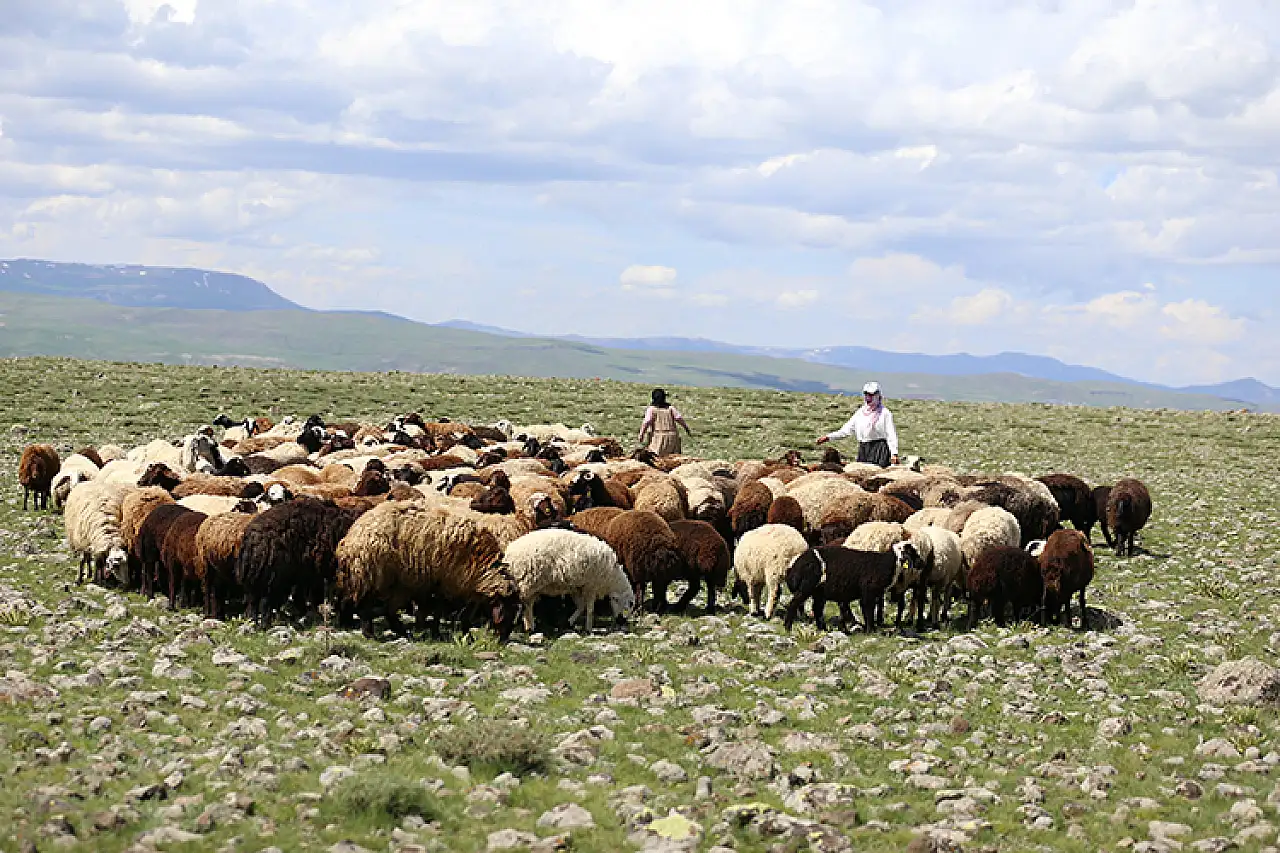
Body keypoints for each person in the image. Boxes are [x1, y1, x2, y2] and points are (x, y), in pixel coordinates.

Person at [816, 381, 899, 467]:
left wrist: (894, 453)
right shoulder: (860, 413)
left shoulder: (885, 413)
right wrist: (828, 437)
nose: (868, 398)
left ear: (877, 395)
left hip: (880, 450)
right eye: (866, 395)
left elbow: (891, 434)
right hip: (864, 449)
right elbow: (846, 430)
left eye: (871, 395)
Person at [638, 388, 692, 455]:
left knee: (655, 456)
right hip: (673, 436)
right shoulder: (670, 408)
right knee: (673, 457)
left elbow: (647, 422)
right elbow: (678, 418)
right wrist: (686, 428)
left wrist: (641, 434)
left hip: (658, 436)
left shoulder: (652, 409)